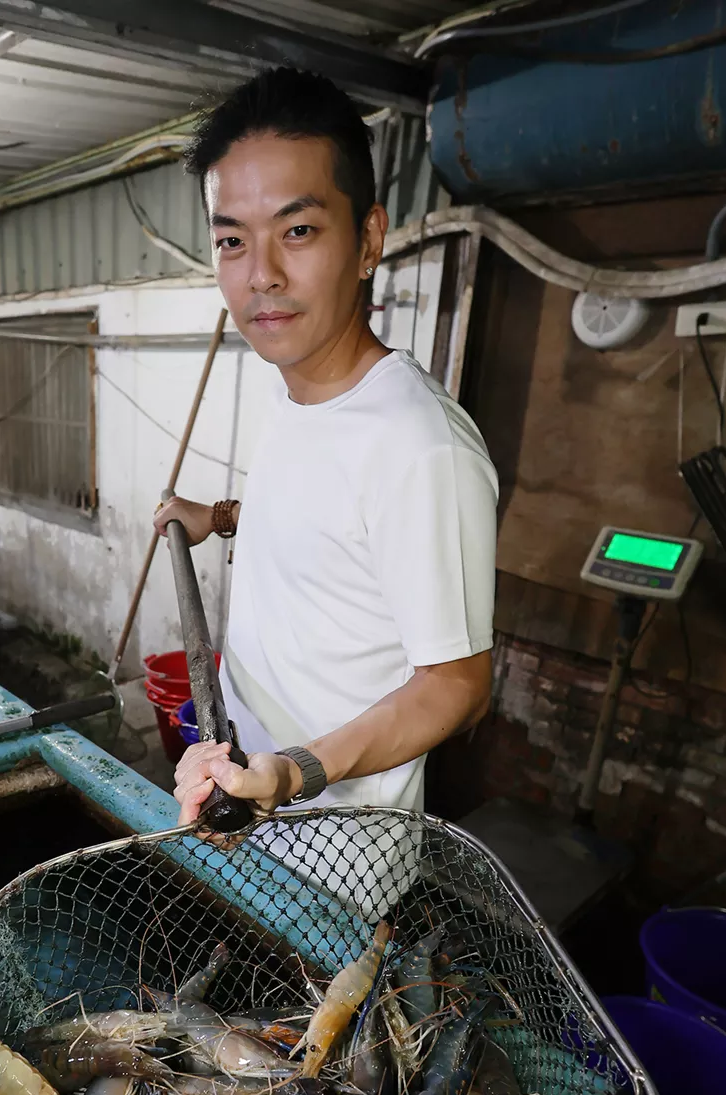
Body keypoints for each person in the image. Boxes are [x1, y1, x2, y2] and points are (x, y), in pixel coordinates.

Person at [153, 67, 498, 829]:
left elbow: (458, 685)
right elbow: (330, 523)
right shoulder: (295, 388)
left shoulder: (421, 445)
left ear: (368, 239)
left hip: (336, 860)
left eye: (298, 231)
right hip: (249, 813)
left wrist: (295, 769)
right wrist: (220, 515)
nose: (261, 275)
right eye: (232, 240)